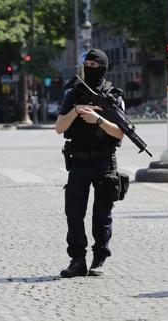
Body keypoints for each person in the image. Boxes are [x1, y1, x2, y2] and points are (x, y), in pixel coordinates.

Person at [55, 49, 125, 278]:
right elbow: (59, 128)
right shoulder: (72, 94)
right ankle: (77, 260)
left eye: (95, 65)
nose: (90, 69)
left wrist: (99, 120)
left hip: (105, 160)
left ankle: (99, 258)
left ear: (103, 68)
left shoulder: (114, 96)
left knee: (102, 213)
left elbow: (120, 133)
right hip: (79, 161)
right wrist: (75, 111)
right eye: (87, 65)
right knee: (74, 213)